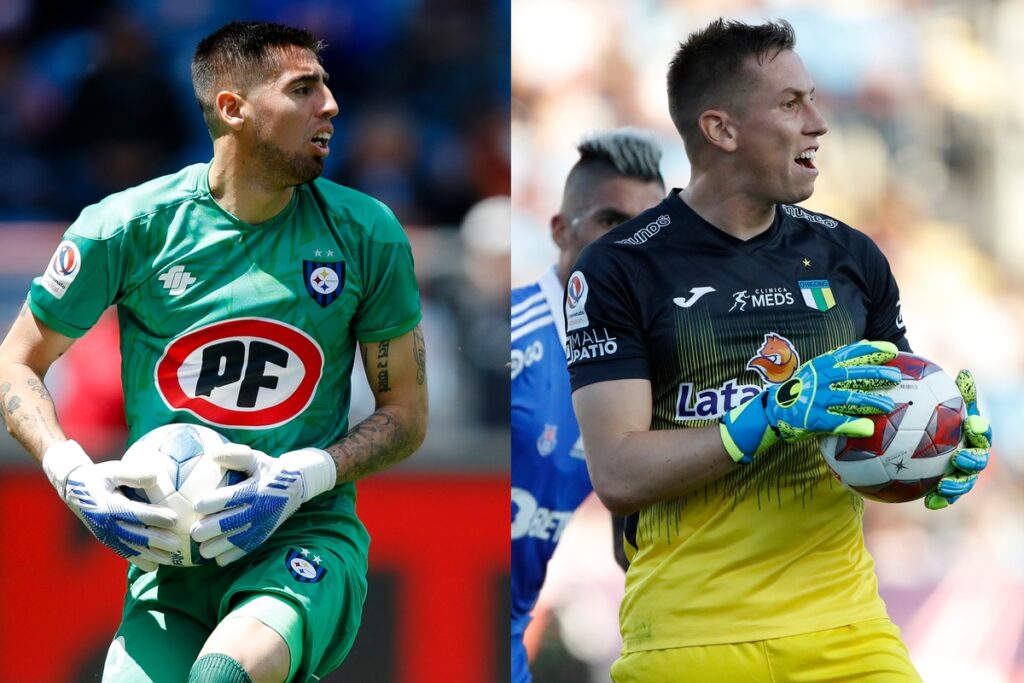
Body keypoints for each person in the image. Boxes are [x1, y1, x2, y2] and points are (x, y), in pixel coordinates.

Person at [565, 19, 991, 683]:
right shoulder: (620, 268)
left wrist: (939, 451)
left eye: (814, 98)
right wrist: (762, 419)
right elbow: (618, 472)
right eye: (791, 104)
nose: (819, 122)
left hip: (847, 635)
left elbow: (880, 424)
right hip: (688, 638)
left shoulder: (852, 256)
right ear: (721, 130)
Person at [0, 21, 427, 683]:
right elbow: (16, 360)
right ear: (233, 108)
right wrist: (73, 475)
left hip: (302, 539)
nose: (332, 105)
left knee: (220, 675)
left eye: (329, 86)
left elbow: (405, 411)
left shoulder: (368, 233)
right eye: (304, 89)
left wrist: (300, 479)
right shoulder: (127, 228)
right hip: (171, 557)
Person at [510, 129, 665, 683]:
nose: (633, 248)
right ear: (559, 229)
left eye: (651, 230)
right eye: (610, 223)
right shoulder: (507, 341)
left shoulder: (645, 369)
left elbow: (634, 548)